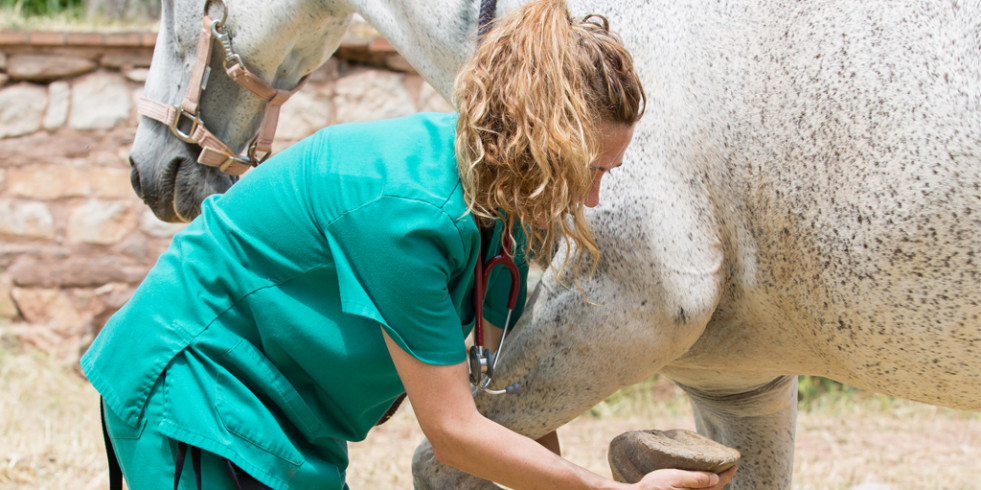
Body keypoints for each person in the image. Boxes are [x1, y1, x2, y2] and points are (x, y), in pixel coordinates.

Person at [82, 1, 736, 488]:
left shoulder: (497, 209)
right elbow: (452, 432)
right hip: (198, 392)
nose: (592, 198)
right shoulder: (403, 209)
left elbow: (495, 393)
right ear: (543, 145)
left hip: (287, 423)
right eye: (588, 170)